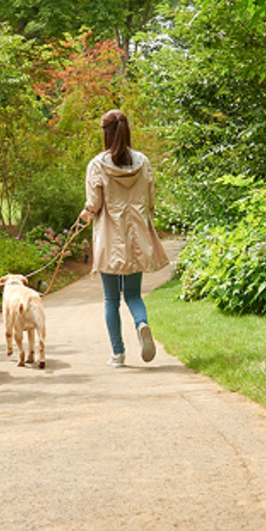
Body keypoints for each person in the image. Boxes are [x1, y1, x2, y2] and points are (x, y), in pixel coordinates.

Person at [78, 109, 170, 367]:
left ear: (106, 133)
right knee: (132, 294)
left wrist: (86, 213)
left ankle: (118, 354)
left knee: (110, 299)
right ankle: (141, 324)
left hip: (110, 237)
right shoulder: (143, 162)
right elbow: (150, 201)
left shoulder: (97, 164)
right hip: (136, 236)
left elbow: (94, 204)